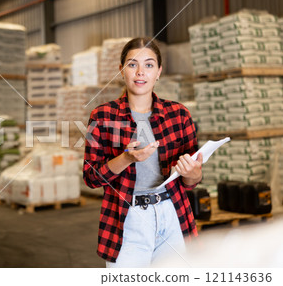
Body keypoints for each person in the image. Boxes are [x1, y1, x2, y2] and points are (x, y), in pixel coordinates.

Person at [83, 37, 203, 267]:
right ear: (121, 70)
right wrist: (126, 158)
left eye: (148, 65)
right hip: (128, 219)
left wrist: (192, 171)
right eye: (132, 65)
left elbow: (193, 180)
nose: (140, 72)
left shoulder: (179, 114)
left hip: (172, 213)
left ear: (158, 71)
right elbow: (91, 178)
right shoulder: (102, 117)